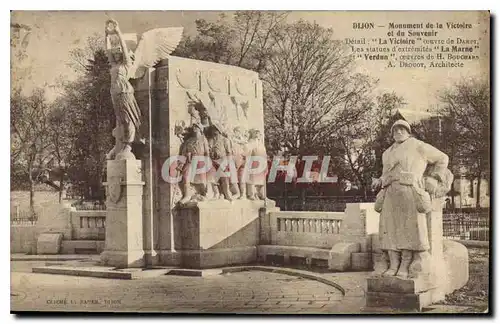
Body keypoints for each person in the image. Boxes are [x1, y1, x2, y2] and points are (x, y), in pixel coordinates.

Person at [371, 119, 450, 279]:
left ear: (408, 132)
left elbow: (442, 158)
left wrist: (433, 178)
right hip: (390, 192)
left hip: (410, 191)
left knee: (409, 228)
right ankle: (393, 264)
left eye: (402, 129)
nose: (399, 132)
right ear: (392, 133)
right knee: (390, 228)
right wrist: (379, 180)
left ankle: (405, 265)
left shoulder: (418, 146)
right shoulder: (387, 153)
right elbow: (386, 173)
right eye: (396, 130)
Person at [105, 19, 142, 160]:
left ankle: (129, 145)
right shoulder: (114, 65)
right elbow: (107, 51)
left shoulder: (126, 65)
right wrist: (106, 34)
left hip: (125, 93)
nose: (115, 53)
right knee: (120, 121)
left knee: (128, 120)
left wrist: (118, 31)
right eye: (115, 52)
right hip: (115, 93)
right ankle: (121, 145)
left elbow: (125, 50)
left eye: (117, 51)